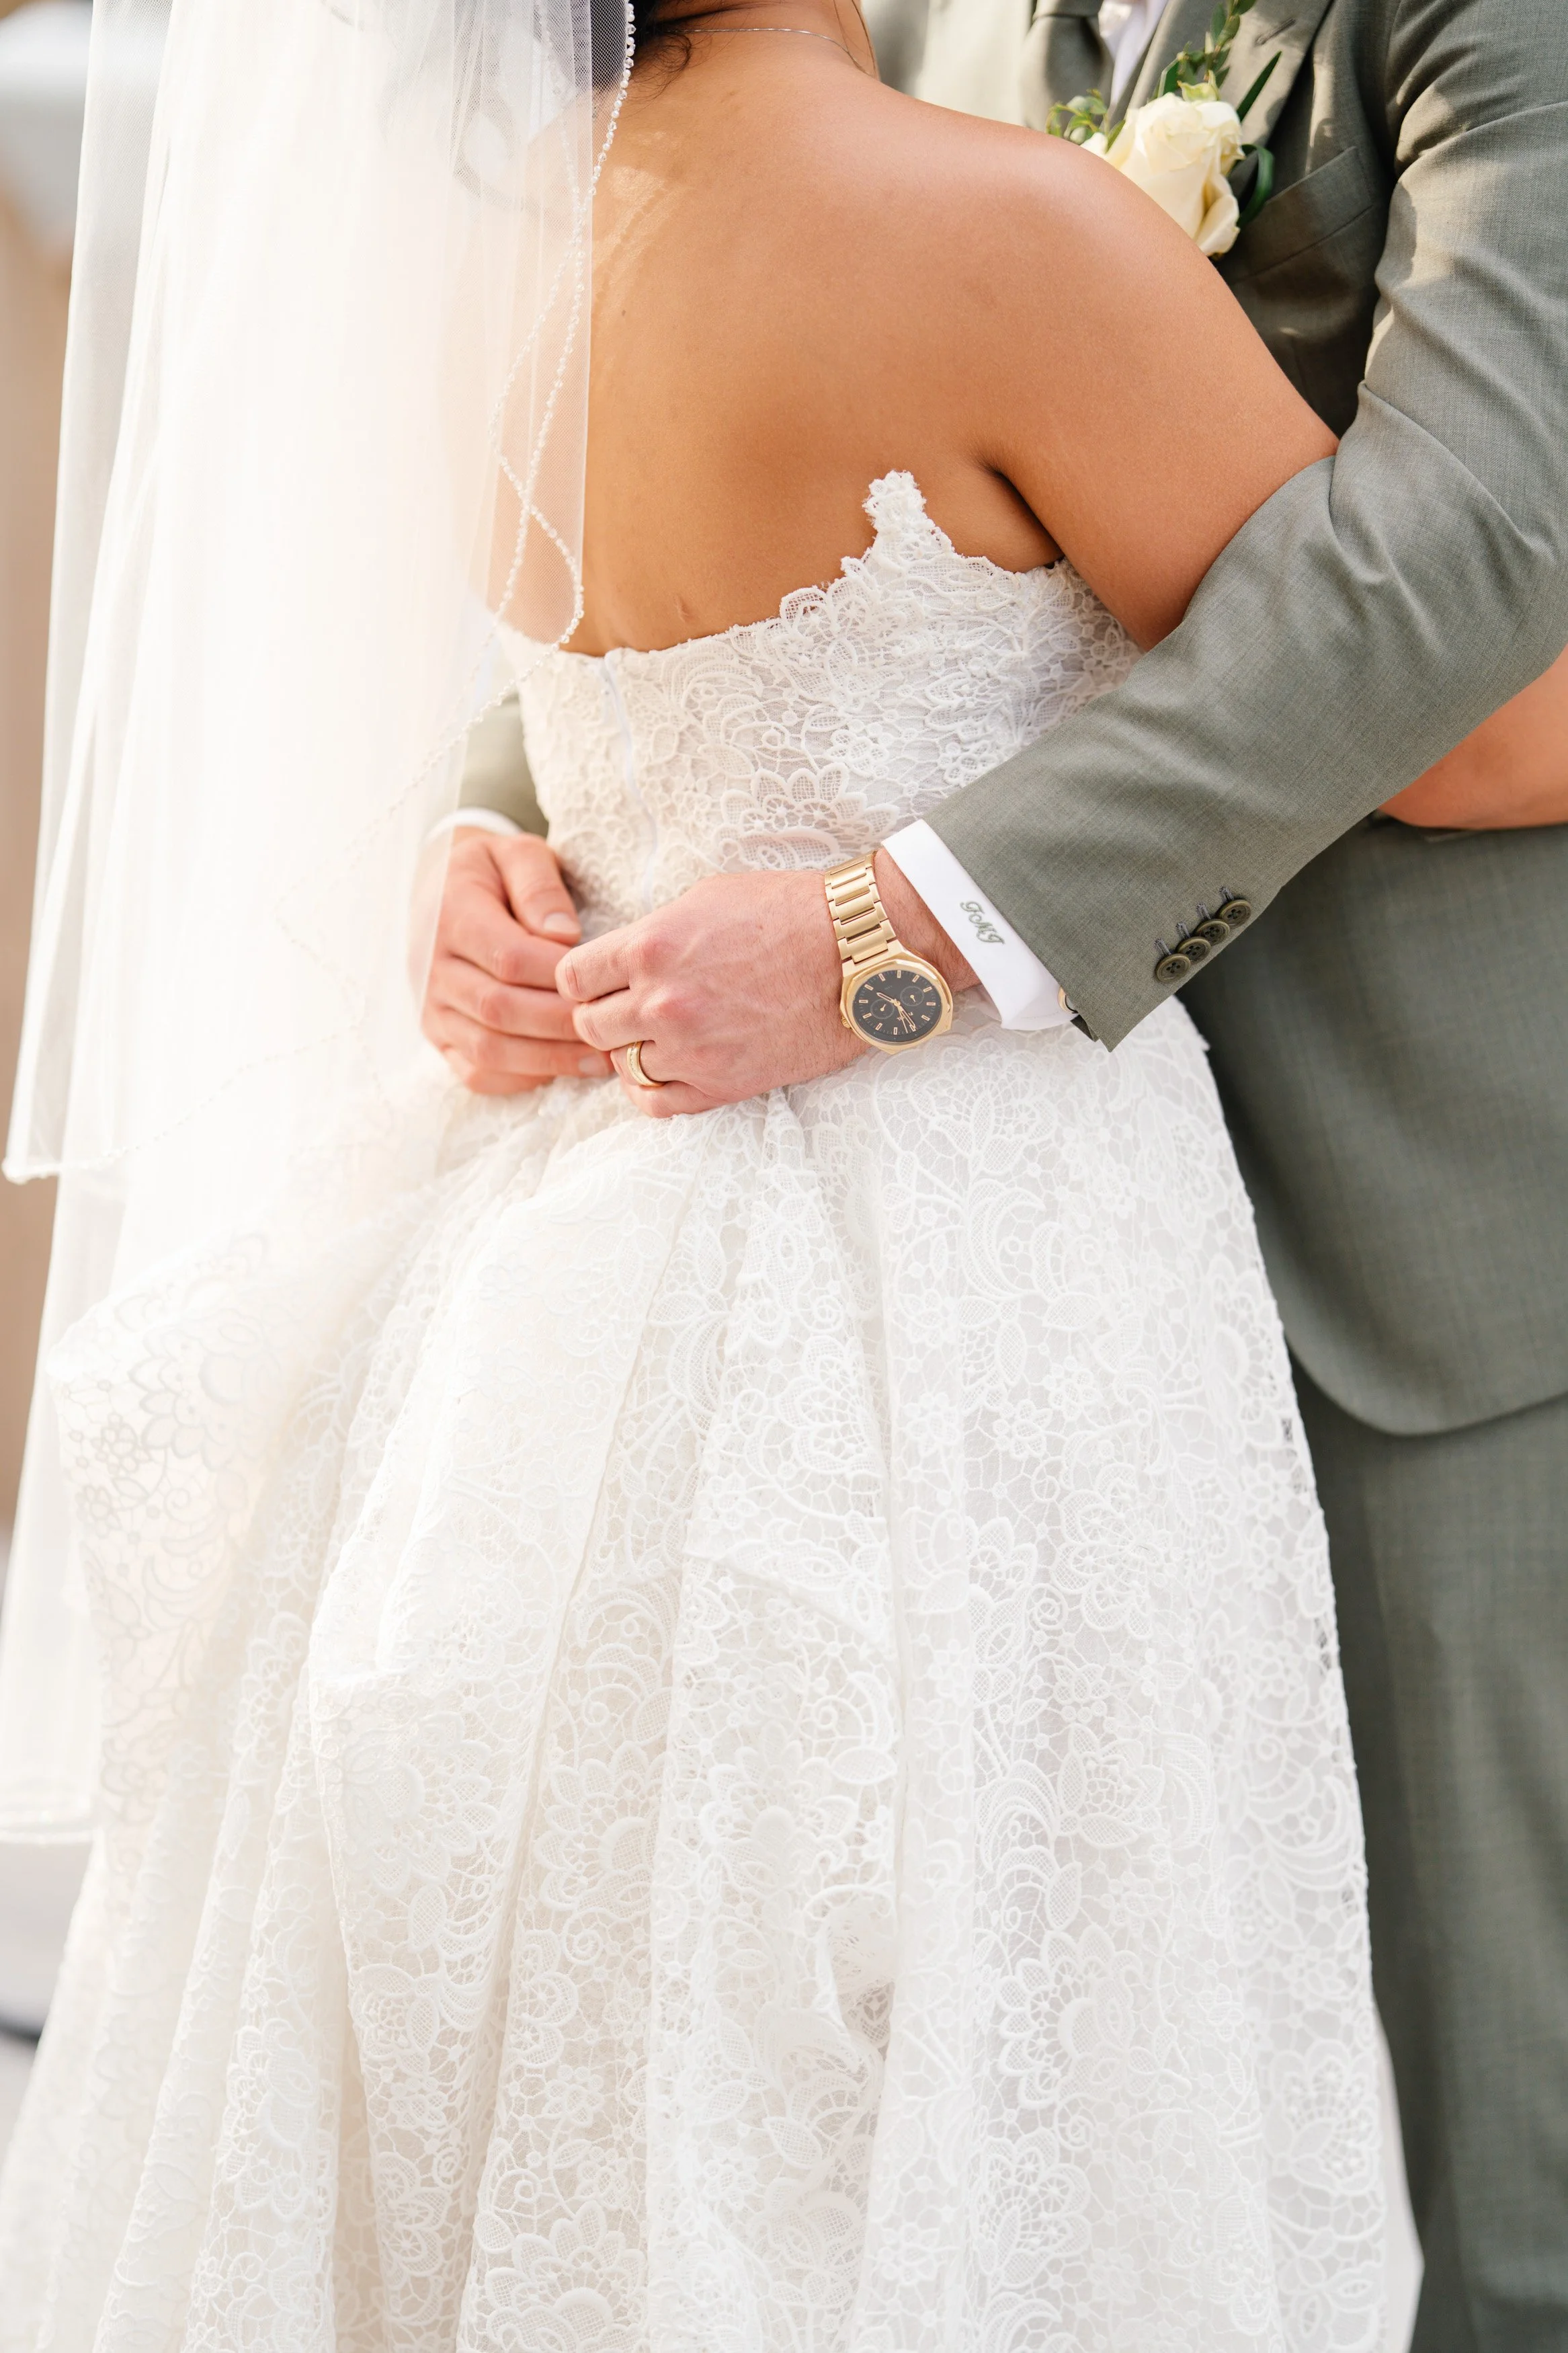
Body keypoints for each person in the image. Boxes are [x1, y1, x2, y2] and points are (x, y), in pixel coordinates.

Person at [0, 0, 1399, 2340]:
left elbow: (572, 717)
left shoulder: (485, 261)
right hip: (975, 1288)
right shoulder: (1007, 236)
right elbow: (1465, 714)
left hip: (545, 1273)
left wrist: (471, 839)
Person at [430, 2, 1568, 2340]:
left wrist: (897, 926)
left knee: (1485, 2201)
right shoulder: (921, 20)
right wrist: (519, 807)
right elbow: (848, 474)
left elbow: (1474, 581)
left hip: (1411, 1246)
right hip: (995, 1329)